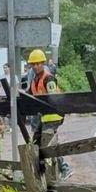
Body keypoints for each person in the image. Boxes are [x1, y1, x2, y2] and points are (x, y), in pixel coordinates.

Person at [26, 49, 70, 178]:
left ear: (42, 63)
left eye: (37, 64)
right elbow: (28, 94)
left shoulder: (48, 78)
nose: (35, 66)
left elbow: (52, 98)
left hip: (53, 115)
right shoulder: (35, 79)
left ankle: (64, 168)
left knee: (48, 143)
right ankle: (41, 170)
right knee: (35, 142)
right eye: (33, 64)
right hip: (44, 117)